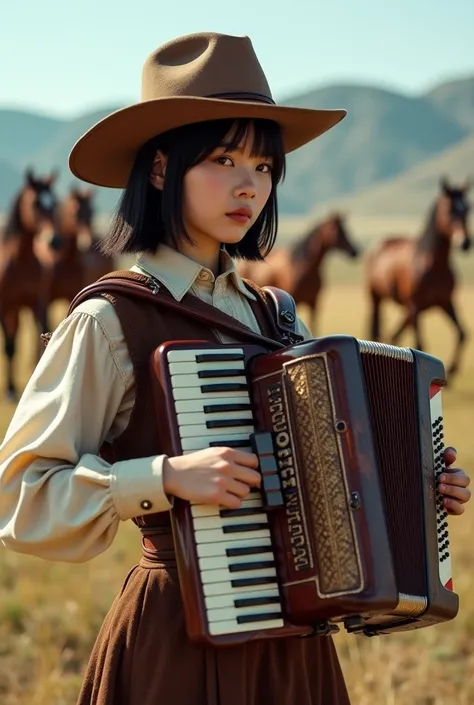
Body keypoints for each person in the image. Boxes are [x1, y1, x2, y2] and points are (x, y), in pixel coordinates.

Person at [0, 31, 471, 705]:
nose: (250, 184)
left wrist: (422, 488)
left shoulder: (278, 318)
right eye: (224, 159)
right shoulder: (110, 320)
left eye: (264, 165)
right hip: (177, 648)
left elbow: (331, 484)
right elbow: (19, 495)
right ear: (161, 169)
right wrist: (165, 477)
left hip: (298, 656)